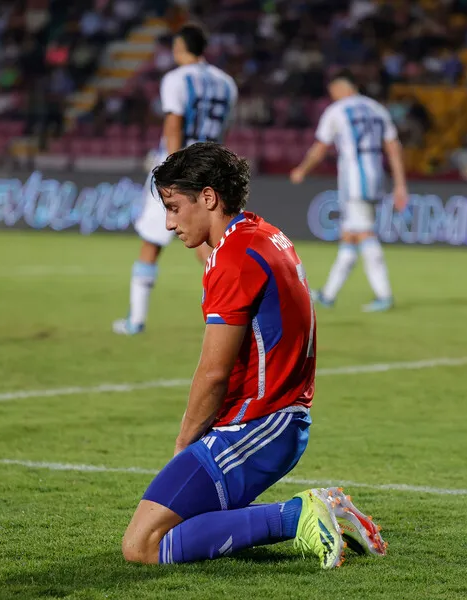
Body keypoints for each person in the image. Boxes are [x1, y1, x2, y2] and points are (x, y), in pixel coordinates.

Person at [121, 142, 387, 568]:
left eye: (174, 207)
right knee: (193, 523)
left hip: (257, 424)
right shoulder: (258, 234)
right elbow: (220, 263)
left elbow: (213, 374)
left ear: (208, 197)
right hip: (280, 420)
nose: (169, 223)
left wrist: (184, 446)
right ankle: (328, 512)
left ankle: (300, 513)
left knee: (142, 546)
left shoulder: (235, 258)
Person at [113, 23, 238, 336]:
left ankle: (135, 321)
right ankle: (235, 297)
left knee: (152, 242)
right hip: (212, 164)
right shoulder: (227, 83)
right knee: (208, 241)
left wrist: (173, 168)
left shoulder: (176, 78)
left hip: (181, 165)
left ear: (180, 48)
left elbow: (173, 124)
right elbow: (224, 128)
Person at [290, 70, 408, 312]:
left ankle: (384, 295)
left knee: (364, 233)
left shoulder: (337, 111)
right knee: (350, 235)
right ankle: (328, 295)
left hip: (355, 179)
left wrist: (302, 169)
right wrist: (399, 184)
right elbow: (394, 148)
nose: (333, 98)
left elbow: (320, 148)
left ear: (343, 90)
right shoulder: (377, 109)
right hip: (375, 175)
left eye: (334, 93)